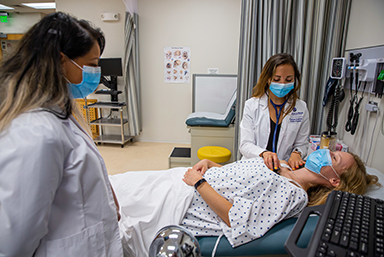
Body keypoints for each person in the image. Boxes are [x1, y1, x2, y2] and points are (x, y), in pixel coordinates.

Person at [0, 12, 123, 256]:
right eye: (92, 65)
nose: (96, 75)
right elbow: (13, 243)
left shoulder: (61, 114)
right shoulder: (36, 132)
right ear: (60, 60)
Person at [110, 149, 379, 255]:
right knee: (114, 184)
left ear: (333, 181)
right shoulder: (281, 163)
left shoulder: (294, 193)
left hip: (186, 201)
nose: (324, 152)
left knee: (112, 206)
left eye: (332, 158)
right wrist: (210, 165)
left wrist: (199, 183)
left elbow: (237, 219)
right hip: (185, 182)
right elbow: (240, 177)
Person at [239, 53, 309, 171]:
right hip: (254, 167)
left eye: (288, 79)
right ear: (268, 79)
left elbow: (302, 143)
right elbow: (245, 144)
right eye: (277, 79)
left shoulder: (301, 108)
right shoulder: (252, 105)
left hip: (284, 169)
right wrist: (264, 153)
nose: (283, 84)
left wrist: (297, 153)